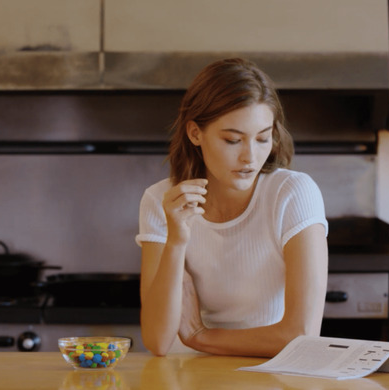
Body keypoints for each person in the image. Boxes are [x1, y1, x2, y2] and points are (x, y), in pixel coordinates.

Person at [135, 58, 328, 357]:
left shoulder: (293, 194)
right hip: (182, 378)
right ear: (195, 133)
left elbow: (301, 335)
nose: (250, 157)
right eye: (233, 140)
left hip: (265, 377)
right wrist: (176, 241)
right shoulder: (161, 200)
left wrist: (200, 336)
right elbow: (158, 340)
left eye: (263, 138)